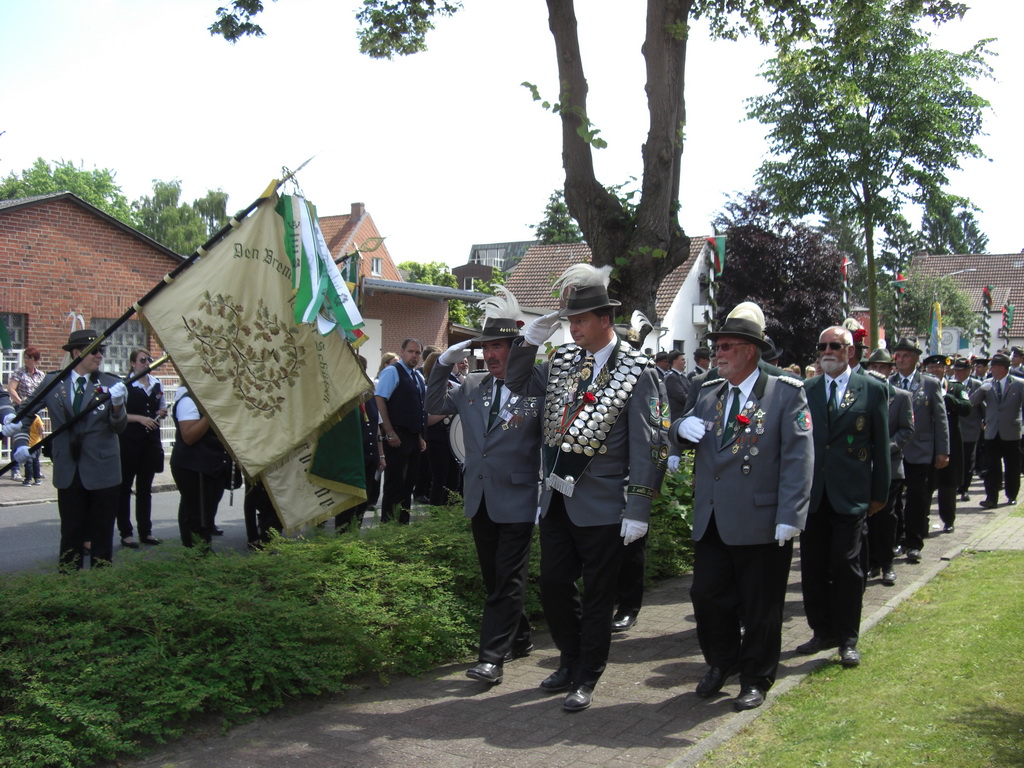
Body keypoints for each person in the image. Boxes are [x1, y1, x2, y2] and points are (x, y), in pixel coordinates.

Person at [505, 263, 666, 712]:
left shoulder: (638, 370)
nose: (573, 328)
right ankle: (570, 657)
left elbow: (651, 444)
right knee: (554, 584)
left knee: (599, 595)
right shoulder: (562, 362)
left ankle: (587, 674)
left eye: (580, 320)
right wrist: (529, 342)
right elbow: (518, 386)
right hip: (558, 496)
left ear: (605, 319)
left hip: (604, 503)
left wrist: (639, 507)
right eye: (570, 320)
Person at [672, 301, 812, 711]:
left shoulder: (785, 393)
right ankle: (722, 660)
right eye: (717, 347)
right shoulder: (709, 392)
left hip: (761, 519)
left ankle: (755, 677)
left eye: (726, 346)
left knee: (760, 604)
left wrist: (791, 514)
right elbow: (679, 432)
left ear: (750, 350)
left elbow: (799, 459)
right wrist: (680, 428)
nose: (717, 353)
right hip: (713, 517)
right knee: (706, 595)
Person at [426, 287, 543, 685]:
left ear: (515, 349)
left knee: (507, 578)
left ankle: (491, 659)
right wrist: (442, 364)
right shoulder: (473, 386)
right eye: (487, 347)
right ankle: (520, 636)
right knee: (495, 578)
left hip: (520, 497)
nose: (491, 355)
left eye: (499, 347)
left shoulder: (535, 385)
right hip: (480, 498)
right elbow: (434, 406)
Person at [796, 326, 889, 667]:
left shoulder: (872, 389)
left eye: (834, 346)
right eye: (822, 346)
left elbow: (881, 446)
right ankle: (822, 631)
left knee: (846, 564)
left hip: (851, 494)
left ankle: (848, 638)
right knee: (813, 566)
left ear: (850, 351)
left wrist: (879, 493)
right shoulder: (806, 390)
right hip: (814, 495)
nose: (827, 352)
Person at [2, 329, 128, 569]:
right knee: (70, 535)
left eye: (101, 350)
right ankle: (70, 585)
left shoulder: (112, 383)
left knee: (102, 535)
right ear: (77, 353)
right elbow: (25, 414)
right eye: (94, 351)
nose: (100, 356)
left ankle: (103, 585)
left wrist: (117, 405)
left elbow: (119, 427)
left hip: (103, 469)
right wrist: (21, 444)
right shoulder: (53, 382)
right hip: (68, 469)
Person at [890, 337, 949, 564]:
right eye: (898, 356)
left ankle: (914, 543)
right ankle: (896, 539)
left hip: (920, 450)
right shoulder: (889, 382)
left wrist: (943, 451)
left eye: (906, 356)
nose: (901, 360)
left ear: (916, 359)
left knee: (917, 498)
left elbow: (940, 419)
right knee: (894, 500)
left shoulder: (930, 384)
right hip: (895, 450)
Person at [864, 349, 915, 587]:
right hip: (864, 467)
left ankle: (886, 564)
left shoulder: (901, 396)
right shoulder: (860, 395)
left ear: (890, 370)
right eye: (873, 367)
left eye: (882, 367)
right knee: (865, 521)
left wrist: (886, 447)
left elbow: (907, 430)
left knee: (885, 518)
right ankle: (869, 563)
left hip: (890, 467)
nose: (877, 371)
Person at [170, 385, 232, 548]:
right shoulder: (189, 401)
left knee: (207, 513)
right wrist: (209, 415)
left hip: (213, 466)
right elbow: (189, 437)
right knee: (197, 515)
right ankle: (197, 553)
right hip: (194, 466)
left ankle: (202, 549)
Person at [116, 348, 166, 548]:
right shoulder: (125, 385)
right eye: (143, 360)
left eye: (149, 360)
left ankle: (146, 531)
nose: (146, 363)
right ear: (133, 364)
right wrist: (140, 418)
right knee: (125, 487)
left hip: (150, 442)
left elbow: (161, 406)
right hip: (129, 441)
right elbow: (118, 415)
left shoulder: (156, 383)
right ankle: (126, 533)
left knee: (145, 488)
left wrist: (161, 412)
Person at [375, 338, 427, 524]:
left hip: (413, 437)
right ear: (402, 352)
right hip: (397, 434)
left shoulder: (418, 376)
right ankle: (388, 524)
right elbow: (380, 400)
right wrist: (389, 431)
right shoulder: (392, 371)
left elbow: (418, 407)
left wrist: (419, 436)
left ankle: (403, 523)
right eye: (411, 351)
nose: (414, 356)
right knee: (395, 483)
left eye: (417, 353)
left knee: (409, 483)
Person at [336, 355, 386, 532]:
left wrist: (381, 455)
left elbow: (376, 426)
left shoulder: (369, 394)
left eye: (362, 370)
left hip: (369, 457)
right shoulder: (342, 396)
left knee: (363, 503)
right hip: (351, 459)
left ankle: (354, 535)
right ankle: (343, 537)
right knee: (348, 505)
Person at [923, 355, 970, 533]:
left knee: (948, 485)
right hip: (927, 443)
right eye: (931, 367)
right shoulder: (922, 387)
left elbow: (966, 408)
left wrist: (947, 397)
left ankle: (948, 520)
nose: (935, 370)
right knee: (925, 486)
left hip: (950, 443)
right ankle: (922, 523)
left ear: (945, 369)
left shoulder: (956, 387)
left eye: (938, 367)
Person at [970, 352, 1023, 509]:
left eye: (993, 367)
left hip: (1011, 430)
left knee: (1012, 466)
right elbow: (973, 402)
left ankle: (1012, 495)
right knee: (992, 467)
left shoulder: (1019, 384)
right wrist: (981, 390)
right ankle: (991, 498)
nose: (991, 369)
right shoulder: (987, 383)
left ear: (1002, 368)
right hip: (992, 431)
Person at [421, 351, 462, 507]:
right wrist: (448, 410)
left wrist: (458, 374)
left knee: (454, 478)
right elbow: (427, 420)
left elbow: (468, 391)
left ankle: (450, 511)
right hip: (437, 438)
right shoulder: (428, 388)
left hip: (454, 438)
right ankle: (437, 513)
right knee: (440, 478)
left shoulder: (453, 384)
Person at [6, 346, 45, 482]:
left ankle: (35, 469)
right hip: (21, 409)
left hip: (36, 410)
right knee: (19, 438)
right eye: (25, 357)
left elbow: (43, 392)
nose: (26, 360)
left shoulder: (40, 375)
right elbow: (11, 389)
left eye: (29, 358)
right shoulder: (19, 372)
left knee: (35, 439)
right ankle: (15, 469)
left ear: (36, 360)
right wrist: (21, 402)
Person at [951, 357, 983, 502]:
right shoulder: (950, 384)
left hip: (970, 428)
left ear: (969, 370)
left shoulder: (977, 385)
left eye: (961, 370)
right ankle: (953, 485)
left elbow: (983, 407)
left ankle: (964, 488)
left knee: (968, 460)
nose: (958, 373)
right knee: (953, 460)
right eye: (956, 370)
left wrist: (984, 421)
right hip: (953, 428)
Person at [664, 349, 688, 423]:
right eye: (682, 360)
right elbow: (682, 397)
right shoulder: (671, 378)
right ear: (675, 361)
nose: (685, 362)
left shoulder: (682, 377)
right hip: (677, 418)